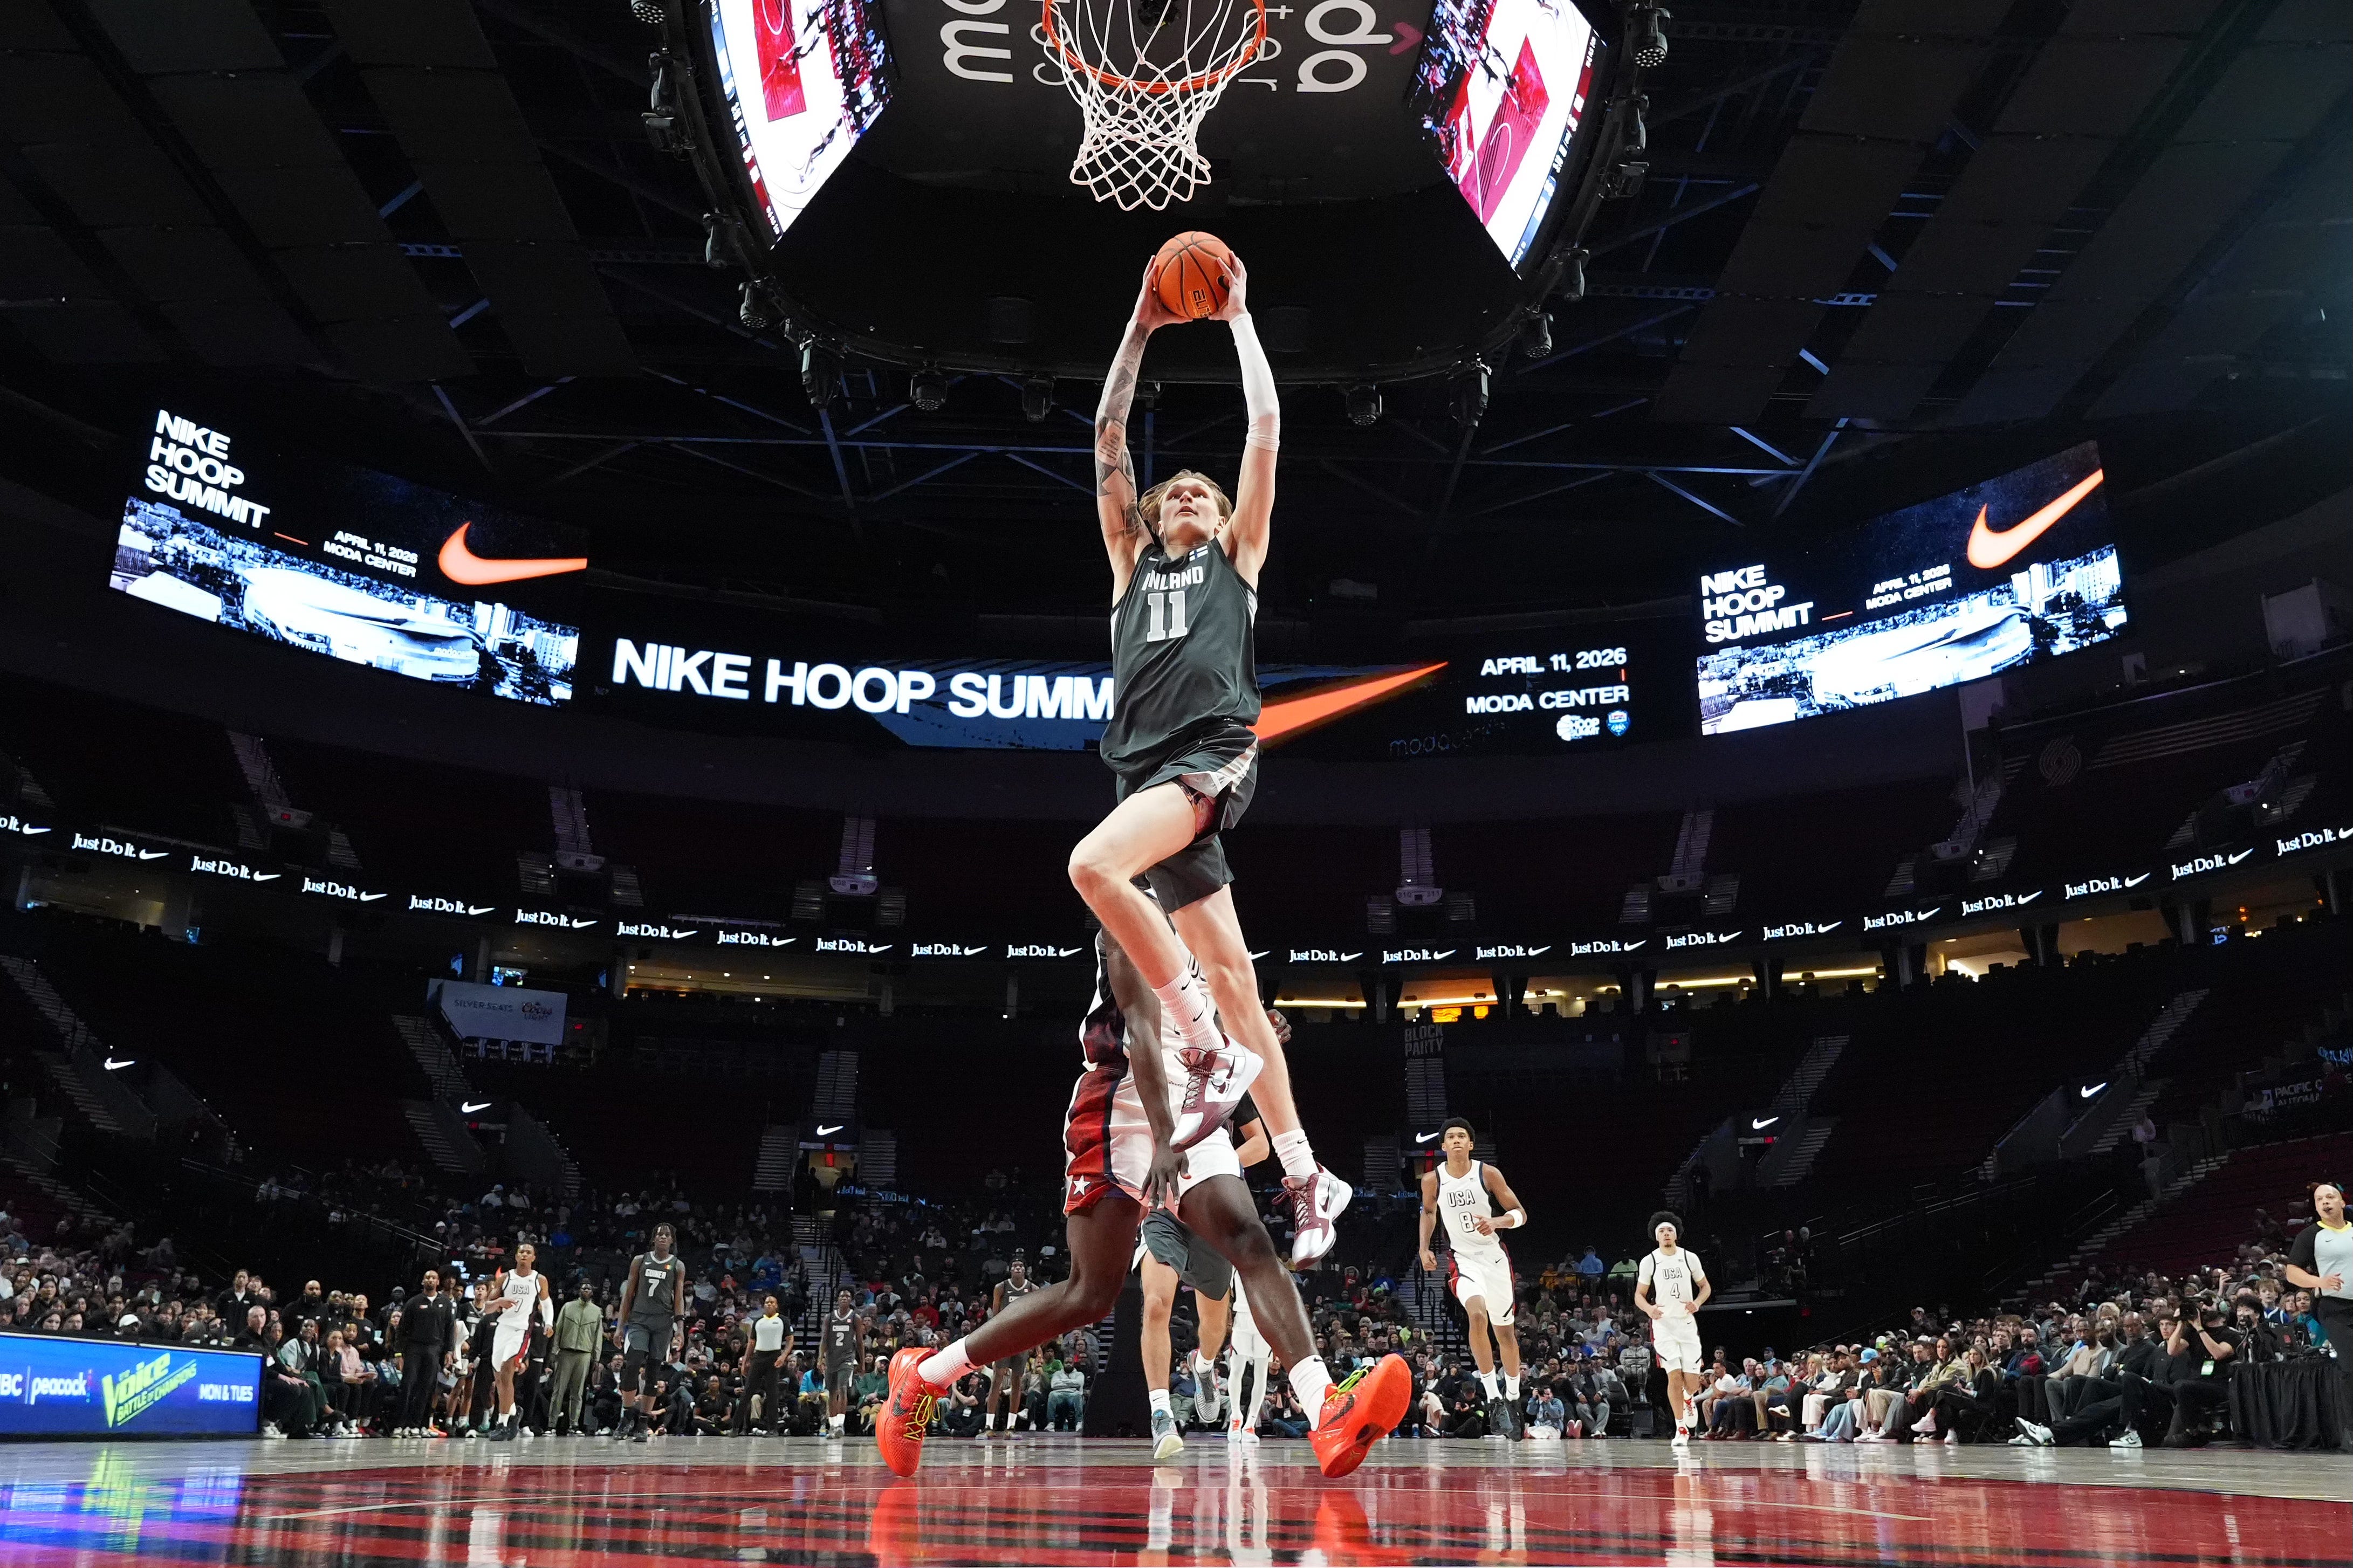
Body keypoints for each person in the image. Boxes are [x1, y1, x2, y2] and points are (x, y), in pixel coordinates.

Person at [873, 929, 1409, 1480]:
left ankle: (1325, 1407)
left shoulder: (1209, 917)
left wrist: (1244, 1032)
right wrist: (1162, 1138)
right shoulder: (1127, 912)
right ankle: (925, 1376)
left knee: (1249, 1240)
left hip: (1195, 1100)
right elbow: (1144, 1030)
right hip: (1122, 1102)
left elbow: (1199, 1022)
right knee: (1090, 1294)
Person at [1072, 246, 1351, 1267]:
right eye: (1177, 490)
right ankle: (1307, 1171)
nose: (1190, 493)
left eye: (1204, 490)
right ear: (1151, 515)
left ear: (1226, 515)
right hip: (1140, 771)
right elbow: (1107, 435)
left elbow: (1263, 426)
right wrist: (1141, 325)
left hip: (1211, 751)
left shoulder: (1238, 558)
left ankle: (1204, 1049)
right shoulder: (1128, 564)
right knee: (1234, 973)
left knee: (1090, 866)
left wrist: (1236, 319)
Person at [1141, 1056, 1274, 1457]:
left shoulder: (1226, 1082)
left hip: (1212, 1207)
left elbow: (1261, 1145)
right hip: (1164, 1207)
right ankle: (1161, 1413)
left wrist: (1213, 1166)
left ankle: (1203, 1365)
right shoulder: (1152, 1074)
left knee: (1215, 1326)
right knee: (1155, 1304)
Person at [1418, 1117, 1531, 1440]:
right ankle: (1493, 1397)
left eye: (1461, 1136)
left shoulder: (1488, 1173)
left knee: (1506, 1335)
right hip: (1463, 1260)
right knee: (1477, 1315)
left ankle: (1512, 1397)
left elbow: (1520, 1214)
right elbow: (1429, 1213)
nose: (1456, 1140)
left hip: (1494, 1259)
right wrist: (1424, 1248)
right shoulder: (1432, 1179)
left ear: (1470, 1144)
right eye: (1450, 1137)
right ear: (1443, 1146)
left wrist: (1497, 1222)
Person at [1634, 1211, 1710, 1447]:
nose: (1666, 1234)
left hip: (1686, 1324)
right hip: (1664, 1325)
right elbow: (1639, 1295)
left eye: (1670, 1230)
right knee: (1673, 1375)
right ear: (1656, 1236)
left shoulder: (1689, 1258)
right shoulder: (1650, 1261)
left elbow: (1705, 1287)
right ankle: (1681, 1428)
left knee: (1693, 1383)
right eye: (1662, 1231)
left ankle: (1688, 1398)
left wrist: (1697, 1303)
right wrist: (1649, 1309)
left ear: (1676, 1235)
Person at [614, 1221, 686, 1442]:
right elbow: (629, 1295)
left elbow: (679, 1298)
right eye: (659, 1234)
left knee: (654, 1372)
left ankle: (643, 1423)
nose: (663, 1237)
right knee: (633, 1364)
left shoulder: (677, 1265)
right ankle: (627, 1416)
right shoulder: (640, 1260)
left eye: (667, 1235)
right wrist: (620, 1326)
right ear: (653, 1239)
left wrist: (680, 1329)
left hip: (663, 1323)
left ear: (672, 1241)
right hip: (639, 1320)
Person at [484, 1242, 553, 1441]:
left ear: (533, 1258)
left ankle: (503, 1424)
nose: (524, 1254)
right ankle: (514, 1412)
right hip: (503, 1328)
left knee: (507, 1372)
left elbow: (546, 1303)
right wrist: (499, 1302)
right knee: (498, 1377)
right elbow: (487, 1308)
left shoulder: (539, 1279)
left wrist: (549, 1323)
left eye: (528, 1252)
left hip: (521, 1330)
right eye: (521, 1251)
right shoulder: (505, 1278)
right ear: (516, 1256)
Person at [2283, 1180, 2351, 1350]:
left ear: (2342, 1203)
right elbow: (2292, 1272)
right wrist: (2320, 1282)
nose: (2325, 1202)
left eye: (2330, 1197)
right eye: (2319, 1199)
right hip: (2336, 1307)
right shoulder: (2310, 1235)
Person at [393, 1268, 452, 1436]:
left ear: (438, 1282)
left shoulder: (446, 1303)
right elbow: (402, 1330)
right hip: (414, 1348)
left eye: (434, 1278)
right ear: (423, 1281)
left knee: (427, 1387)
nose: (430, 1280)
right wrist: (398, 1353)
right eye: (427, 1278)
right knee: (408, 1385)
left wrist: (449, 1351)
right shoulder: (413, 1302)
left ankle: (419, 1425)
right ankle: (400, 1425)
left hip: (434, 1349)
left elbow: (450, 1329)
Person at [986, 1257, 1039, 1433]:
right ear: (1010, 1270)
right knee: (998, 1379)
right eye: (1015, 1266)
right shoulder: (1001, 1287)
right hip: (1004, 1338)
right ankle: (989, 1426)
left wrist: (1036, 1343)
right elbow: (995, 1314)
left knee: (1017, 1381)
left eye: (1021, 1266)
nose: (1018, 1268)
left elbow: (1036, 1316)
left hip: (1022, 1339)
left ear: (1025, 1270)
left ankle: (1011, 1427)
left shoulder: (1033, 1289)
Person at [550, 1280, 604, 1436]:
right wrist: (554, 1351)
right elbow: (559, 1329)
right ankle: (552, 1424)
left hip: (585, 1354)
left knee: (578, 1392)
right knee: (559, 1390)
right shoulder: (568, 1307)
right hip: (566, 1352)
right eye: (583, 1288)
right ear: (579, 1290)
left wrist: (596, 1357)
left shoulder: (597, 1311)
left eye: (589, 1288)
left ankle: (574, 1424)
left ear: (592, 1292)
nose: (586, 1290)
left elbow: (598, 1335)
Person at [740, 1292, 792, 1435]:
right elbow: (751, 1343)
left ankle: (773, 1429)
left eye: (772, 1303)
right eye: (767, 1303)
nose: (769, 1305)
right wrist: (746, 1361)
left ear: (777, 1306)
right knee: (748, 1393)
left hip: (774, 1357)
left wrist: (783, 1356)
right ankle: (740, 1427)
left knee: (772, 1394)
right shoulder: (758, 1322)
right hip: (759, 1357)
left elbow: (790, 1340)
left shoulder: (783, 1320)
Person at [821, 1289, 863, 1439]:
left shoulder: (855, 1317)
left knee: (842, 1388)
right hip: (831, 1359)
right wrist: (820, 1358)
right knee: (832, 1392)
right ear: (838, 1299)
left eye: (848, 1296)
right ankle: (833, 1426)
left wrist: (862, 1363)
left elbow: (860, 1342)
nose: (844, 1298)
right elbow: (824, 1339)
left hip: (847, 1359)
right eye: (842, 1296)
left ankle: (840, 1424)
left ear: (851, 1300)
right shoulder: (830, 1317)